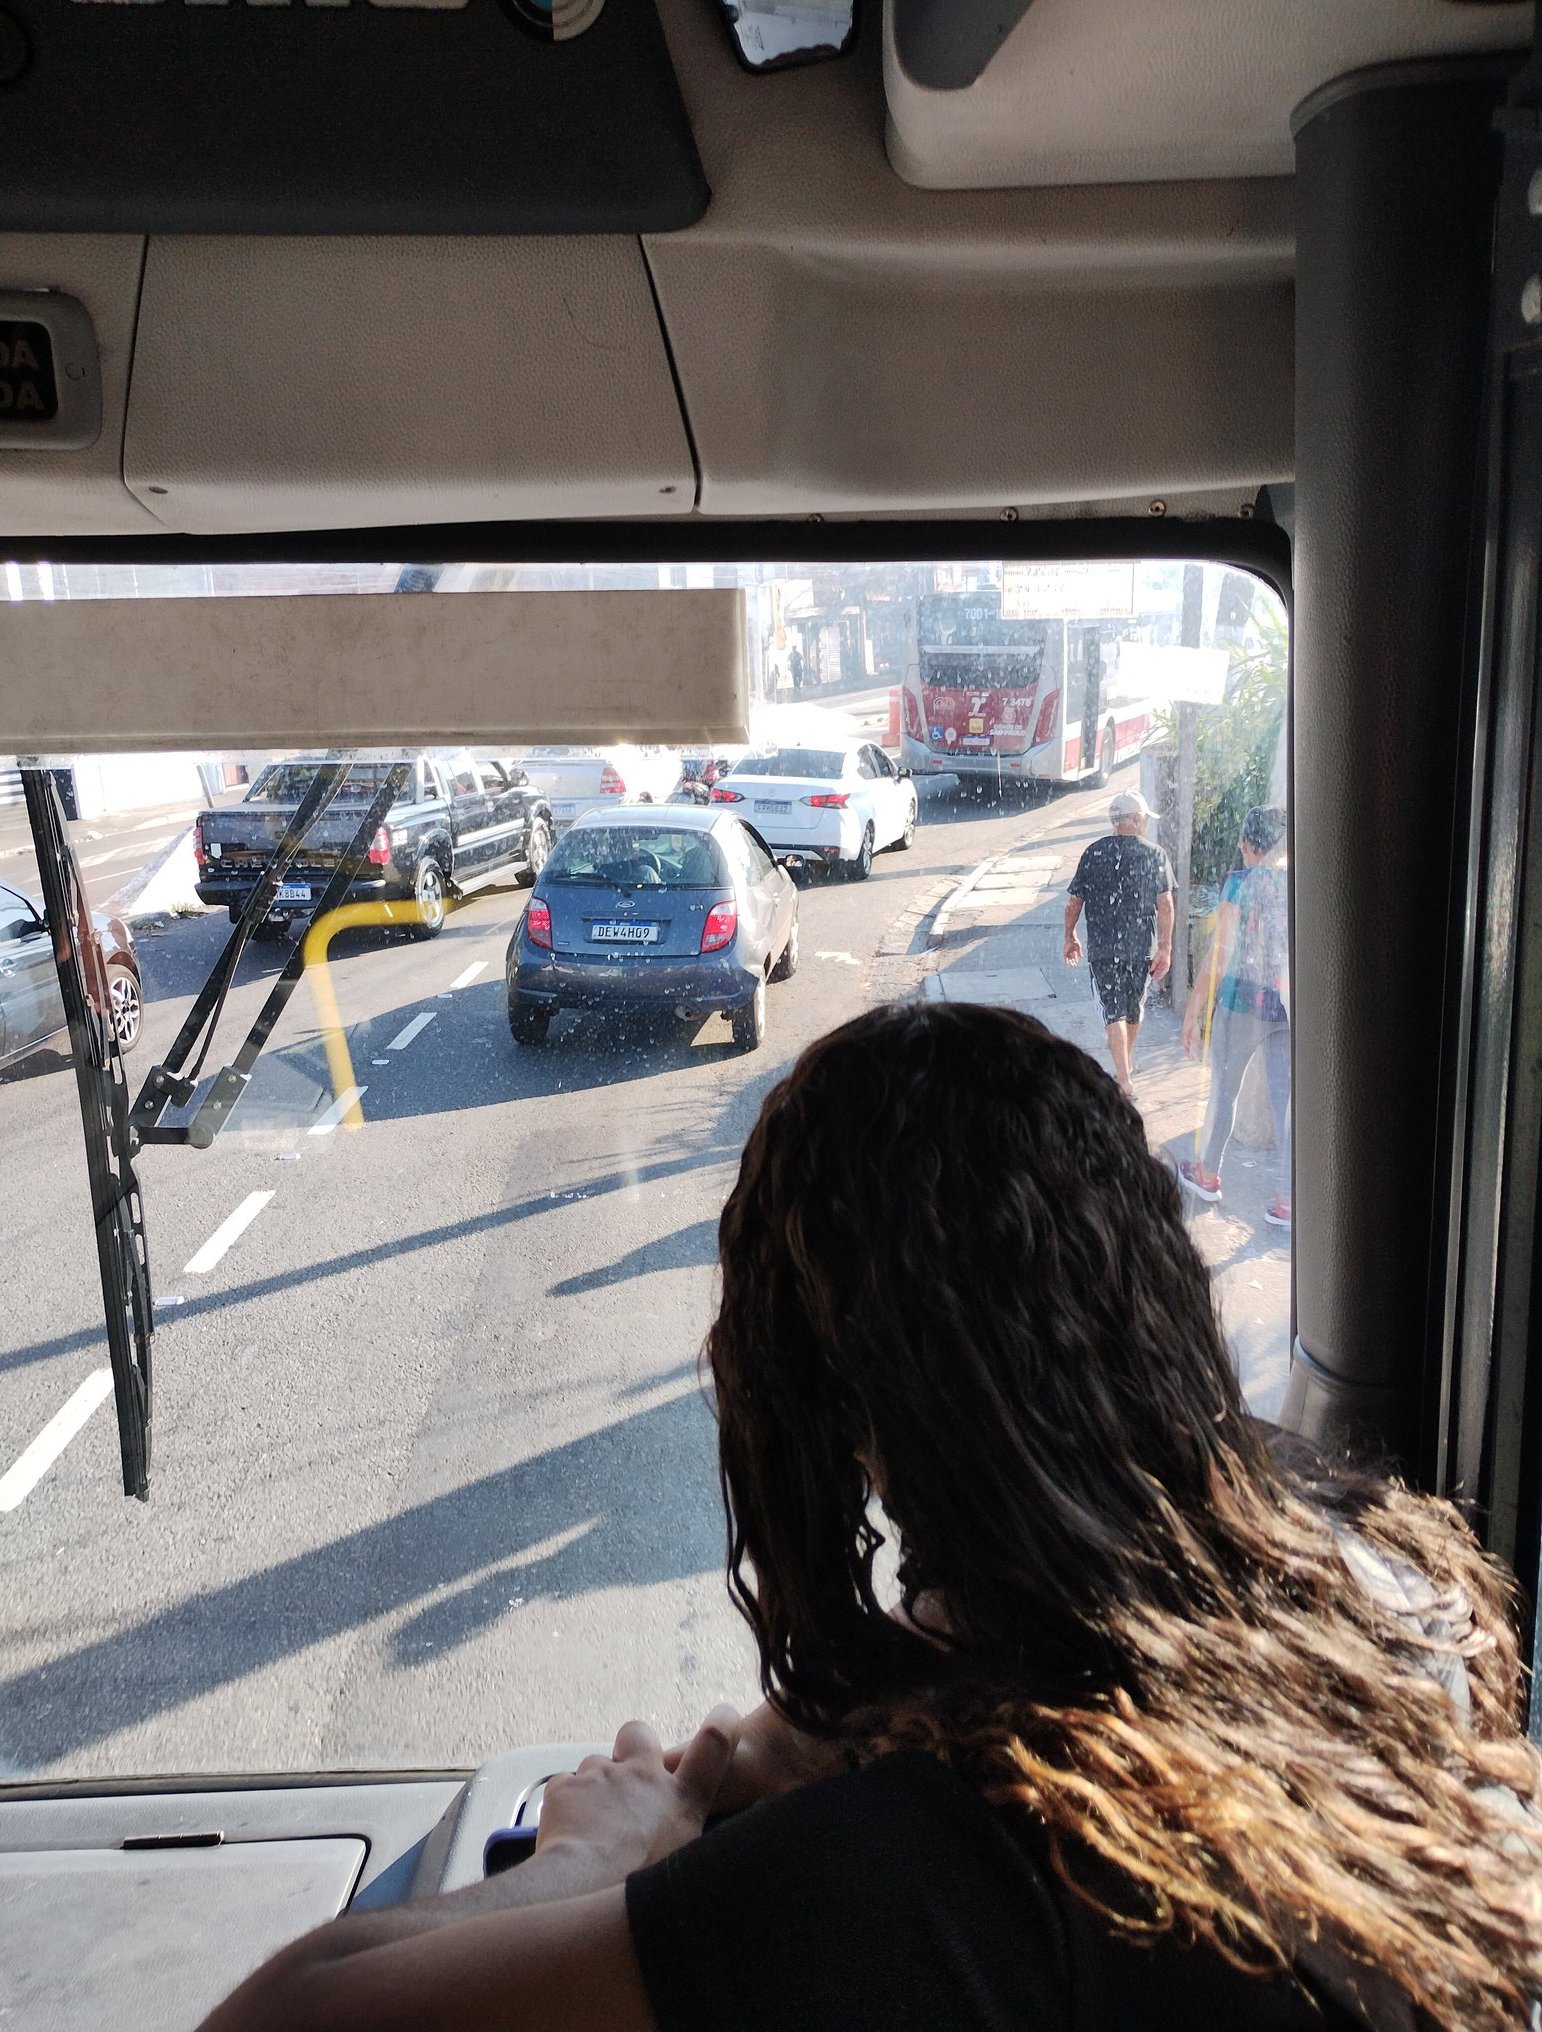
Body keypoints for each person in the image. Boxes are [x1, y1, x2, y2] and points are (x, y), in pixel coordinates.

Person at [203, 1004, 1542, 2032]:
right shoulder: (1378, 1572)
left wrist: (597, 1856)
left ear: (820, 1407)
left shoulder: (944, 1867)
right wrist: (854, 1712)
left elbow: (281, 2017)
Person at [1180, 804, 1292, 1228]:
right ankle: (1287, 1199)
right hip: (1283, 1005)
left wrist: (1193, 1010)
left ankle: (1207, 1174)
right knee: (1285, 1103)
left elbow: (1220, 955)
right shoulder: (1297, 882)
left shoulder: (1239, 884)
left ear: (1247, 844)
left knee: (1224, 1091)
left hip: (1240, 1003)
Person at [1063, 788, 1174, 1095]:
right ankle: (1124, 1070)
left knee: (1114, 1011)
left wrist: (1069, 935)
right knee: (1133, 1007)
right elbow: (1165, 903)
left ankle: (1123, 1075)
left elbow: (1074, 903)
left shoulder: (1094, 852)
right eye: (1144, 819)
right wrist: (1165, 947)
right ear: (1137, 819)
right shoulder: (1155, 854)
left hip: (1103, 947)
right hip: (1140, 946)